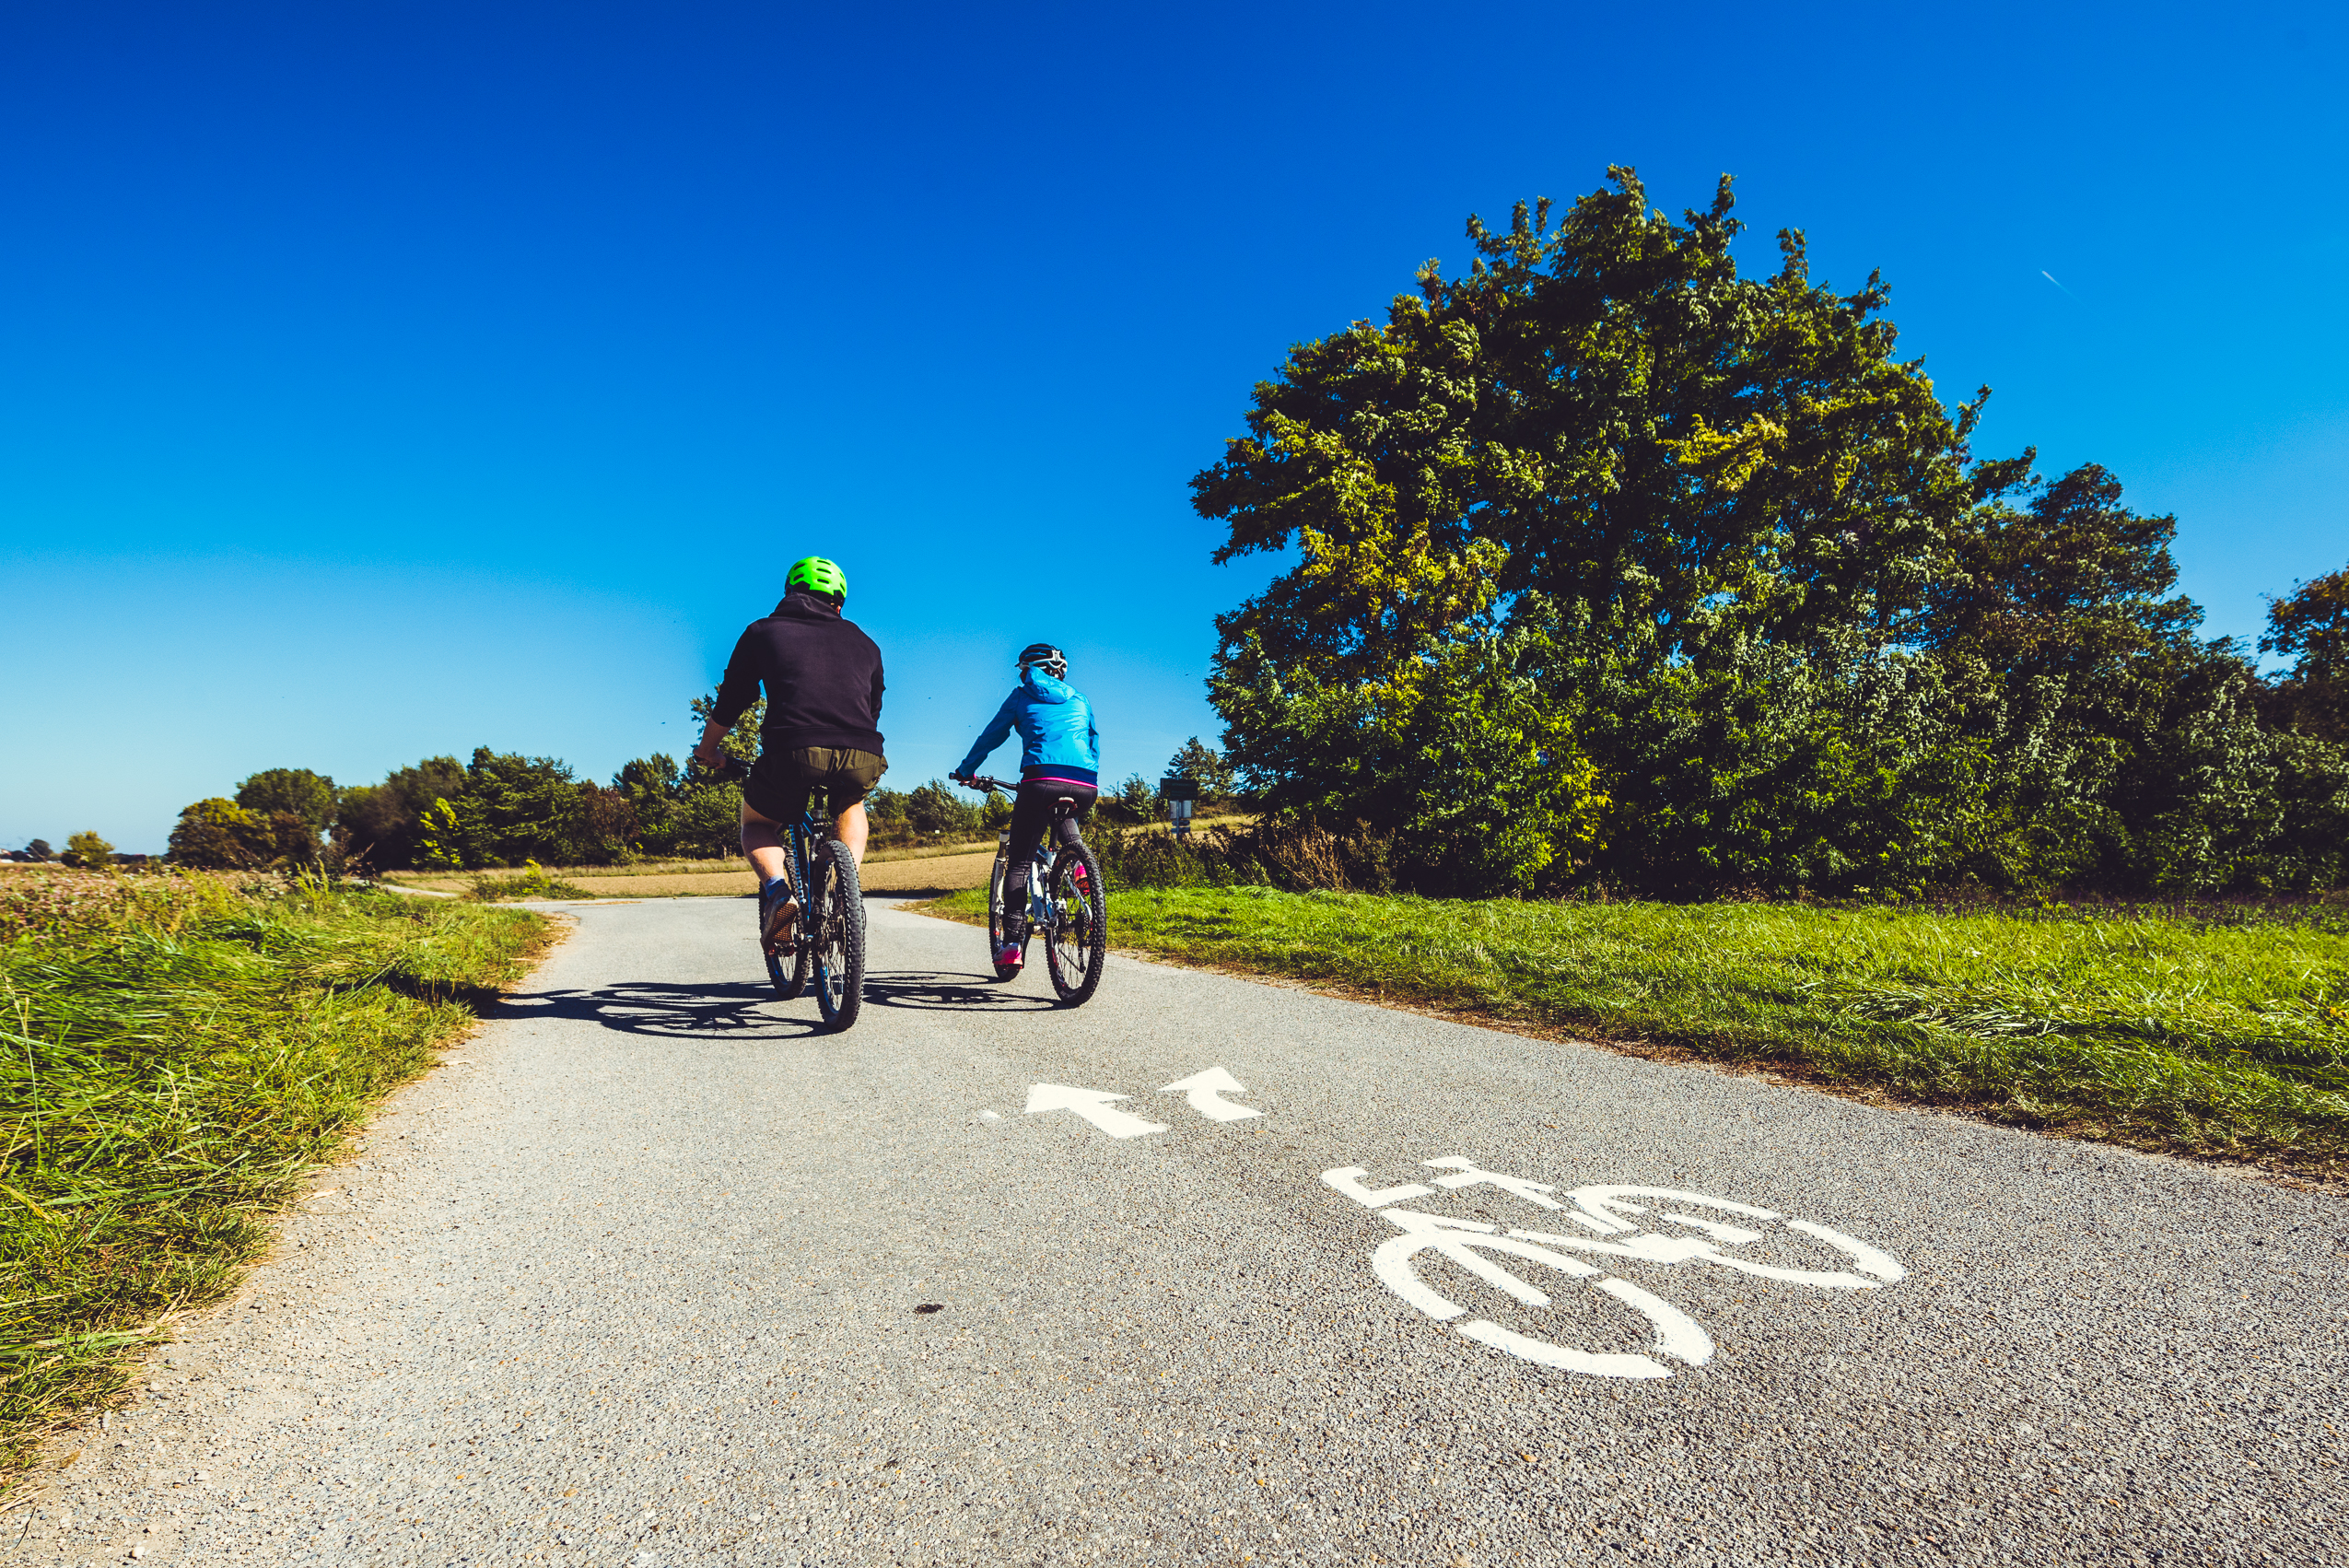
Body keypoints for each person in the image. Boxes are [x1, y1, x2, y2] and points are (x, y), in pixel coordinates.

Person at [691, 556, 886, 948]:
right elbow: (872, 707)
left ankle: (779, 891)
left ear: (788, 593)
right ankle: (844, 897)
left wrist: (707, 749)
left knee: (757, 824)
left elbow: (734, 698)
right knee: (850, 804)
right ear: (839, 602)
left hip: (792, 750)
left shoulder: (763, 631)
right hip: (861, 751)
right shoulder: (866, 642)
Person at [952, 643, 1099, 970]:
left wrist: (966, 770)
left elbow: (992, 735)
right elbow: (1093, 741)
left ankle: (1012, 944)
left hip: (1040, 779)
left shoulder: (1021, 695)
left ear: (1032, 669)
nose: (1020, 674)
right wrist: (1086, 773)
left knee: (1018, 862)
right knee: (1066, 817)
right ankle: (1077, 864)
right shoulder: (1080, 698)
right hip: (1086, 782)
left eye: (1022, 668)